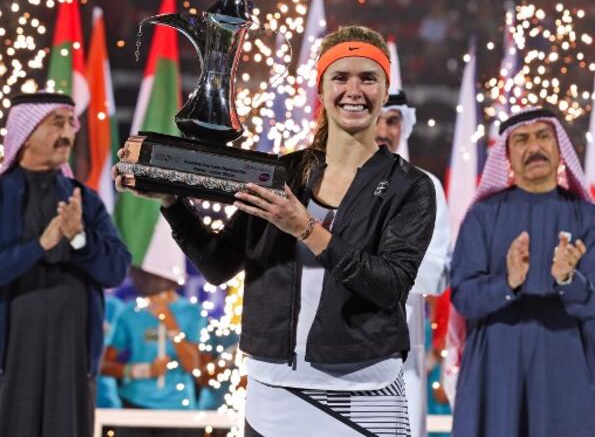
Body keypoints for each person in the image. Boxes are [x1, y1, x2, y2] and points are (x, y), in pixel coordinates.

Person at [115, 25, 436, 437]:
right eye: (340, 77)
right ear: (321, 89)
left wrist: (305, 229)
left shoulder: (411, 186)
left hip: (363, 388)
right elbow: (217, 265)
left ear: (384, 89)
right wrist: (170, 203)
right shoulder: (282, 172)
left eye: (368, 78)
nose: (354, 90)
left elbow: (389, 284)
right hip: (273, 390)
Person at [449, 107, 595, 437]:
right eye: (521, 140)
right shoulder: (482, 217)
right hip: (495, 379)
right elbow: (464, 298)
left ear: (560, 149)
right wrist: (507, 282)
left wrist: (569, 279)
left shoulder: (591, 219)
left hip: (567, 382)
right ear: (507, 156)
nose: (534, 147)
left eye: (543, 136)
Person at [0, 92, 131, 437]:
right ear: (25, 133)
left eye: (71, 124)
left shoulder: (83, 199)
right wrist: (38, 246)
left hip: (70, 360)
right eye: (57, 123)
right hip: (9, 360)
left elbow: (116, 269)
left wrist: (79, 239)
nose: (69, 133)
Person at [376, 90, 450, 437]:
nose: (382, 130)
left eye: (392, 121)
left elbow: (435, 274)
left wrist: (361, 264)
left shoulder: (424, 188)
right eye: (375, 117)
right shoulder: (326, 182)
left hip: (398, 358)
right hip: (326, 356)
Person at [102, 267, 205, 417]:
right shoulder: (130, 313)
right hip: (134, 404)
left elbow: (194, 366)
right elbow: (104, 365)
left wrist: (170, 324)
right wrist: (143, 370)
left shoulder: (192, 312)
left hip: (179, 409)